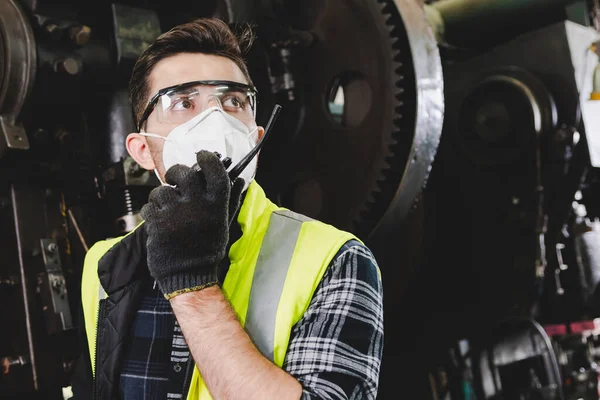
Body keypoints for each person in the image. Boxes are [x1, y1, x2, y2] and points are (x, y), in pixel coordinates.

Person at [71, 17, 384, 400]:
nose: (215, 119)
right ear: (142, 150)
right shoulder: (103, 265)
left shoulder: (335, 259)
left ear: (256, 135)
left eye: (233, 101)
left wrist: (191, 285)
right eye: (183, 102)